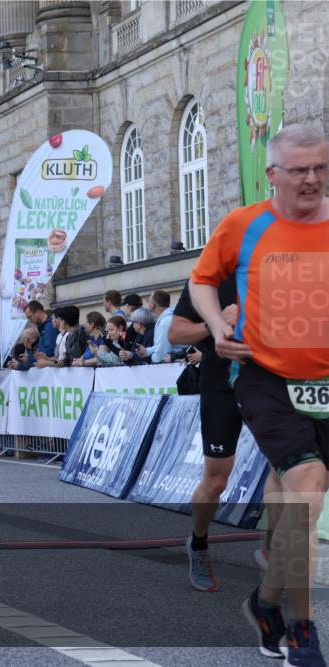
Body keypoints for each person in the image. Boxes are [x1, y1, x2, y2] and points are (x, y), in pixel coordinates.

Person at [189, 125, 329, 665]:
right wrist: (215, 327)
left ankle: (266, 603)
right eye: (299, 170)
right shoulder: (244, 226)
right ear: (273, 175)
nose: (312, 178)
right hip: (264, 375)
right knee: (307, 489)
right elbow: (203, 280)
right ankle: (301, 628)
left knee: (303, 499)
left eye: (320, 167)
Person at [170, 278, 283, 593]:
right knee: (217, 480)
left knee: (283, 468)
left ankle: (274, 551)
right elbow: (175, 334)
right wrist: (214, 323)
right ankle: (199, 543)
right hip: (220, 386)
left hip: (267, 385)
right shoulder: (208, 279)